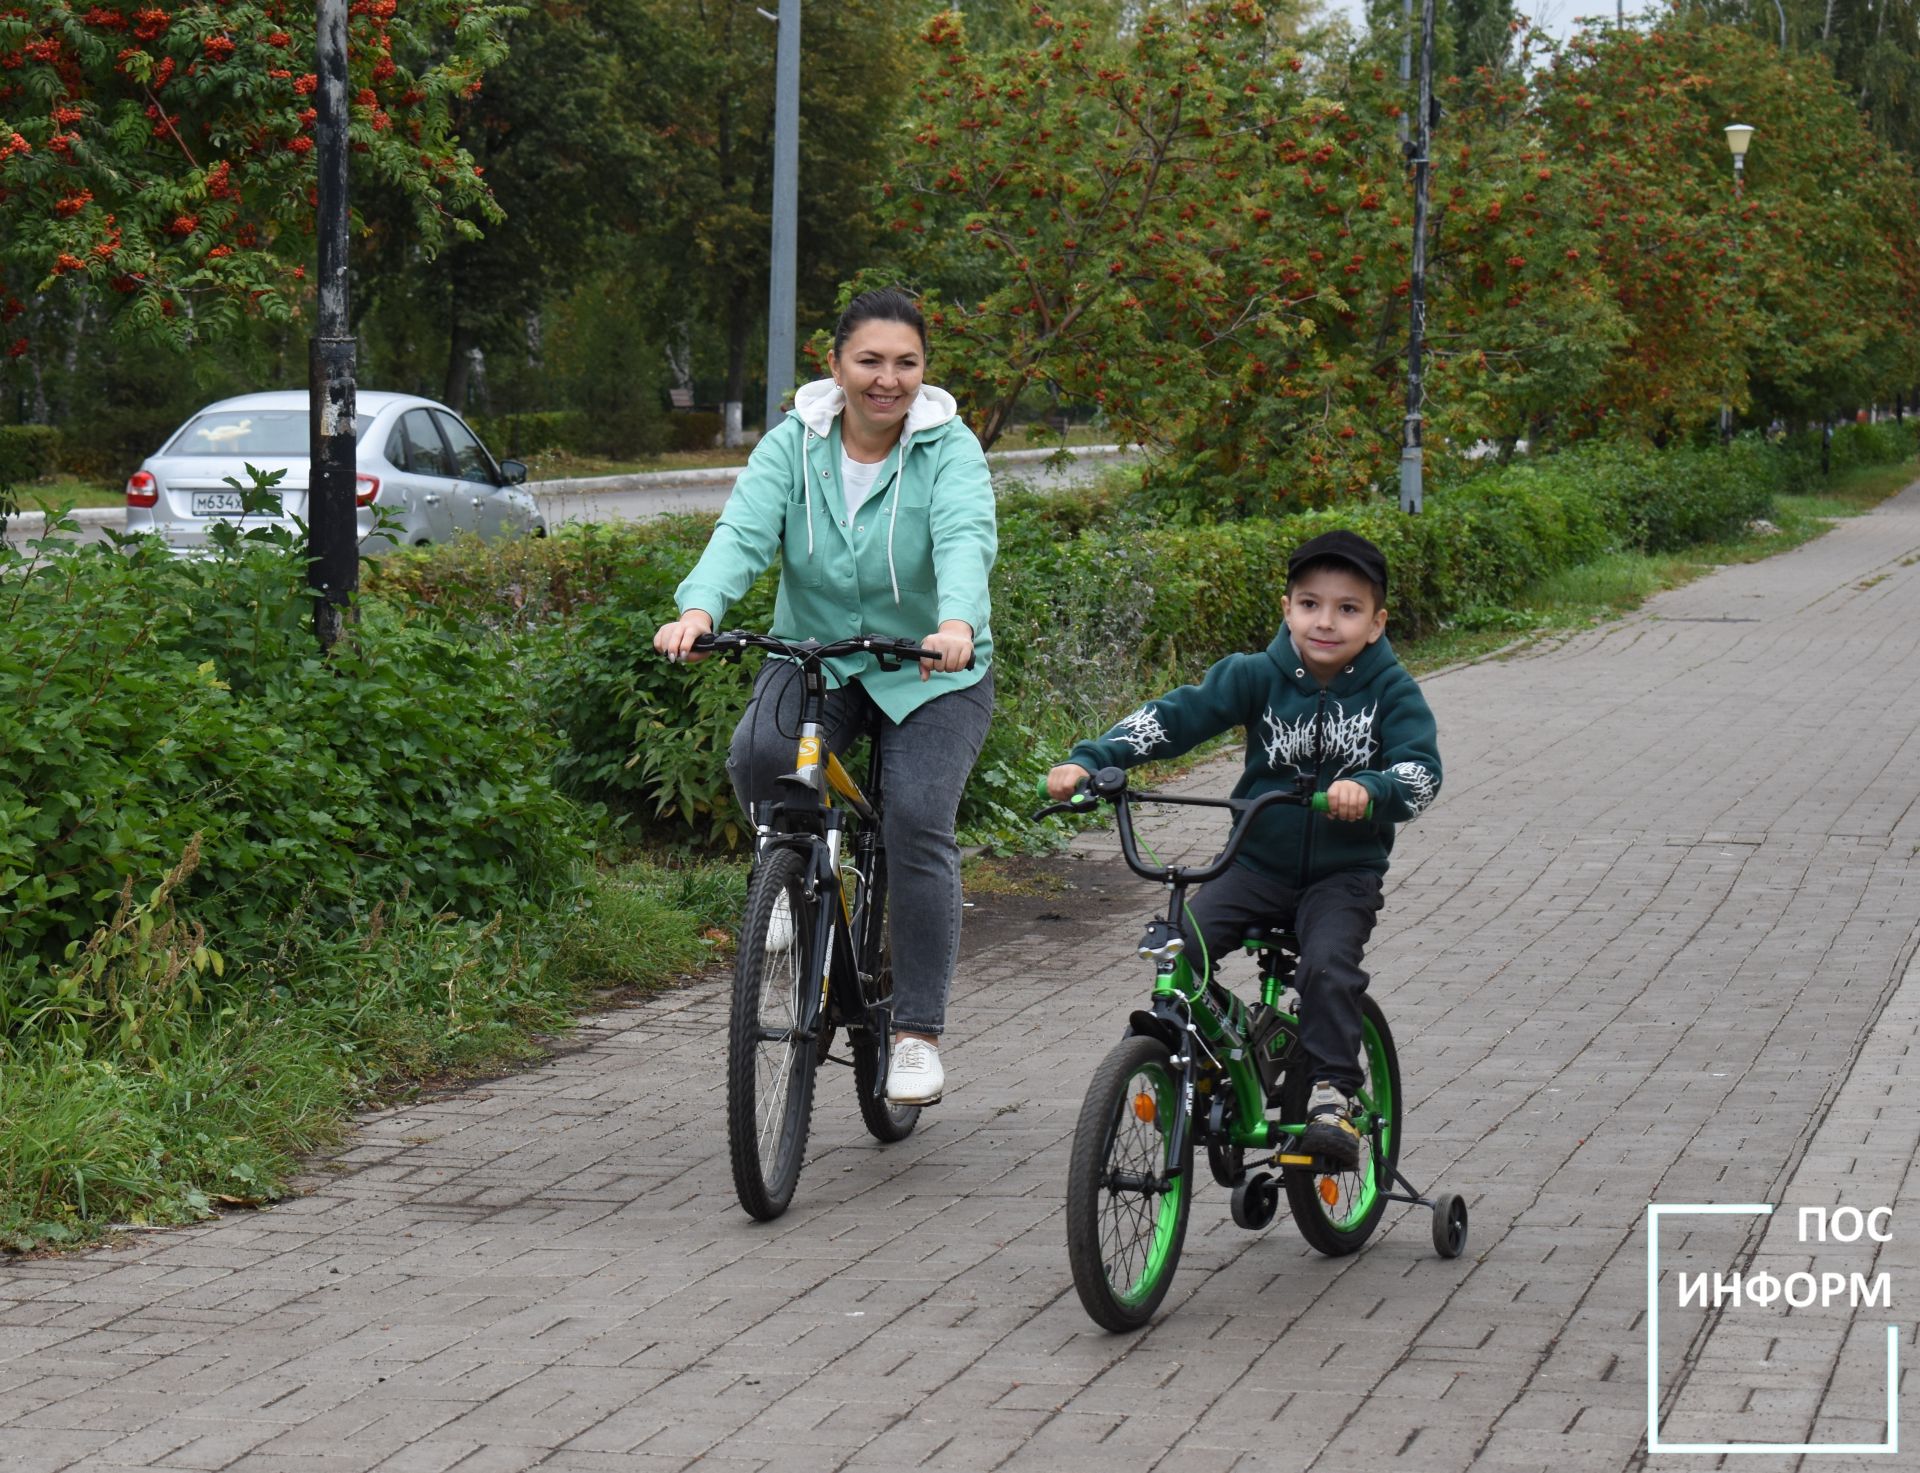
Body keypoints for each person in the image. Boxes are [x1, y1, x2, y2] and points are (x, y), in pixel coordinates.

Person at [653, 288, 996, 1107]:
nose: (888, 380)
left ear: (924, 369)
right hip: (822, 655)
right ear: (835, 364)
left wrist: (955, 623)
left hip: (929, 668)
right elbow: (741, 533)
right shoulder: (792, 446)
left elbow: (963, 539)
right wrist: (698, 609)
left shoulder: (949, 449)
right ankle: (794, 874)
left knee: (916, 816)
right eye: (870, 361)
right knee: (762, 754)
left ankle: (915, 1030)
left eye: (905, 363)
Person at [1044, 529, 1440, 1167]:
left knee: (1327, 969)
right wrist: (1093, 761)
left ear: (1376, 623)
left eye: (1348, 609)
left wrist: (1371, 789)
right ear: (1287, 609)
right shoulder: (1255, 676)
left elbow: (1422, 774)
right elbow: (1174, 717)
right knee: (1184, 947)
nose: (1326, 622)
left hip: (1342, 875)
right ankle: (1193, 1066)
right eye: (1310, 604)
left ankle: (1334, 1098)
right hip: (1254, 863)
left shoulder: (1392, 692)